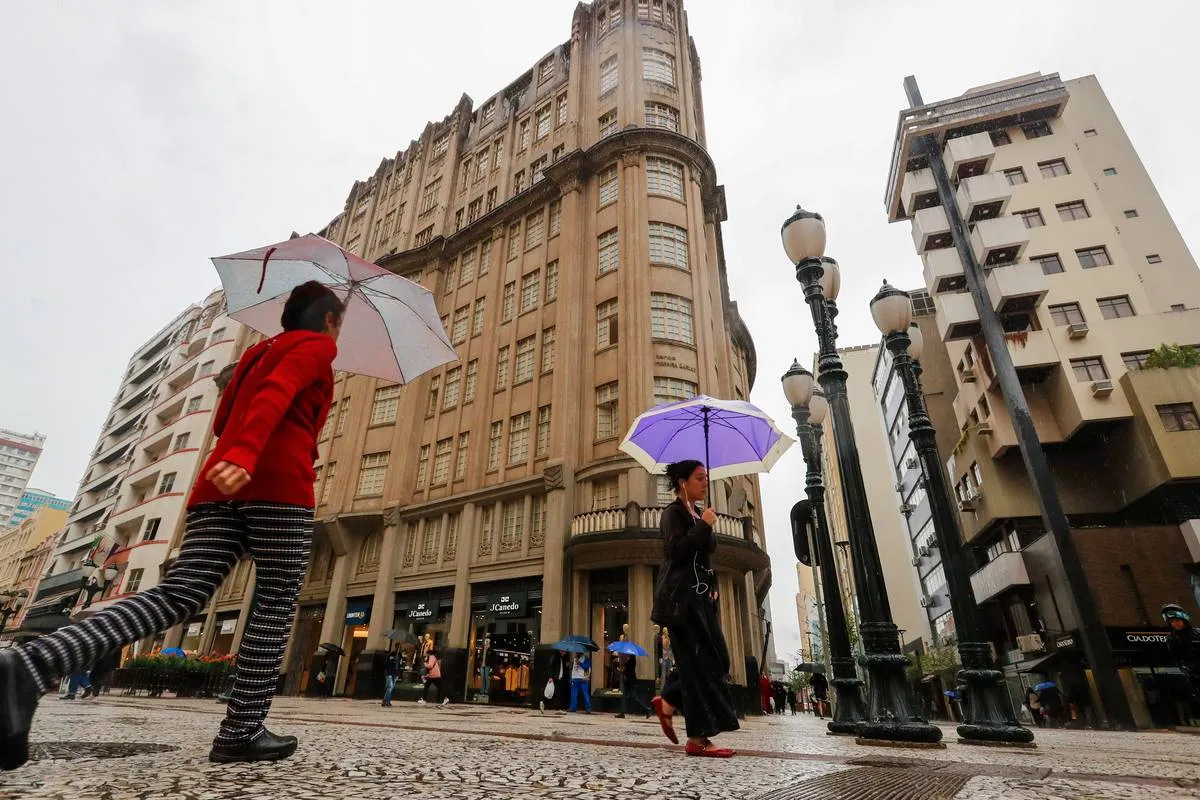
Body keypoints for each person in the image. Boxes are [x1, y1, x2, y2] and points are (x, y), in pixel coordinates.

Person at [0, 280, 344, 770]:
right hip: (278, 487)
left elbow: (225, 418)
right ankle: (241, 730)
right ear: (329, 320)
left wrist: (240, 452)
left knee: (177, 594)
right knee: (275, 603)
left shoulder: (252, 354)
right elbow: (279, 390)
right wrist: (260, 451)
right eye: (340, 323)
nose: (339, 333)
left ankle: (32, 665)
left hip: (216, 486)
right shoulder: (312, 346)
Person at [650, 460, 739, 758]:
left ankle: (669, 701)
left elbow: (705, 552)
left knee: (718, 659)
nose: (705, 482)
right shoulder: (672, 513)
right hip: (679, 601)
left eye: (706, 477)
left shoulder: (698, 512)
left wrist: (705, 522)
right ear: (682, 482)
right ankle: (698, 739)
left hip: (700, 599)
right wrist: (703, 526)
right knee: (697, 663)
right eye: (699, 478)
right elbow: (674, 551)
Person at [616, 654, 651, 719]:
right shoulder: (631, 660)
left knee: (635, 698)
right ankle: (622, 713)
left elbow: (625, 670)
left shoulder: (631, 661)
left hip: (631, 682)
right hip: (629, 682)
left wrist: (621, 669)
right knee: (624, 696)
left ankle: (647, 709)